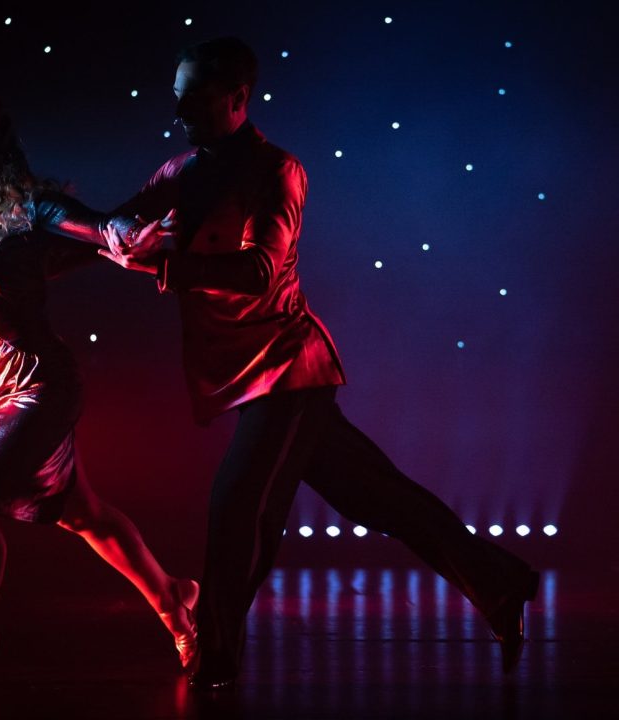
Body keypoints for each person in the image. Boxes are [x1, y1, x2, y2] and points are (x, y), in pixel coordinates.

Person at [100, 37, 540, 690]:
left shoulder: (278, 171)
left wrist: (161, 263)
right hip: (248, 376)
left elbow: (257, 271)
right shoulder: (182, 171)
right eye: (177, 100)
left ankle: (215, 656)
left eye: (195, 100)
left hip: (287, 372)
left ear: (238, 97)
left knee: (239, 508)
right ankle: (503, 581)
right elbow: (122, 219)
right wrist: (110, 230)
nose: (181, 112)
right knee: (379, 499)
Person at [0, 86, 199, 682]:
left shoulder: (27, 204)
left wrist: (130, 231)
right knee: (82, 514)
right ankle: (174, 601)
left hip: (39, 383)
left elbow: (105, 229)